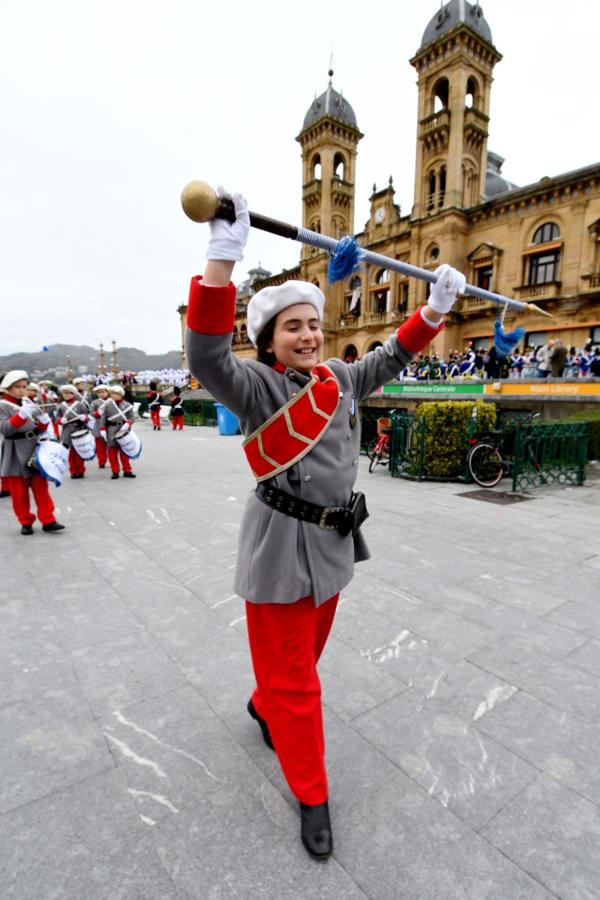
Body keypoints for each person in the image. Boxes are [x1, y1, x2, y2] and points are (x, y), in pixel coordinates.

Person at [184, 189, 466, 861]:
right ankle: (311, 792)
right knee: (301, 684)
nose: (308, 334)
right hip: (281, 549)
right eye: (292, 327)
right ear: (269, 339)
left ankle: (263, 704)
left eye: (313, 323)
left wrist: (434, 310)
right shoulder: (254, 388)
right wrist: (222, 260)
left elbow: (390, 358)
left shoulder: (338, 376)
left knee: (300, 662)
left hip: (335, 544)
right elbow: (204, 359)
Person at [0, 370, 65, 535]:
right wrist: (22, 415)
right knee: (19, 492)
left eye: (24, 386)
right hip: (14, 450)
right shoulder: (2, 406)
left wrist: (43, 424)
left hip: (34, 447)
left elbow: (37, 426)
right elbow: (6, 429)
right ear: (7, 388)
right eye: (17, 387)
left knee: (41, 487)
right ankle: (25, 521)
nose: (22, 390)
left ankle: (48, 520)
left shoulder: (28, 402)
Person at [101, 384, 136, 479]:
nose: (113, 395)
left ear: (120, 394)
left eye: (115, 394)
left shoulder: (127, 405)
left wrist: (128, 423)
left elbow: (132, 417)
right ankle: (115, 471)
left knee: (124, 451)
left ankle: (127, 470)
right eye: (111, 394)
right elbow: (103, 418)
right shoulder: (107, 405)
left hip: (123, 430)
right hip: (111, 430)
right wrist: (103, 429)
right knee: (112, 452)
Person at [57, 384, 89, 479]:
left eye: (68, 393)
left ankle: (81, 470)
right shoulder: (61, 406)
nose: (66, 395)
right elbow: (57, 418)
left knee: (79, 451)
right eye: (64, 393)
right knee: (70, 452)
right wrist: (60, 421)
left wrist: (84, 418)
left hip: (79, 429)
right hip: (67, 430)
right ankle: (73, 471)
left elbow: (87, 416)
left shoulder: (80, 405)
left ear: (73, 394)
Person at [90, 384, 110, 468]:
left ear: (107, 392)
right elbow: (91, 412)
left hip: (110, 426)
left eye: (103, 392)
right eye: (99, 392)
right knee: (100, 446)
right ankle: (101, 461)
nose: (101, 394)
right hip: (98, 425)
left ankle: (111, 460)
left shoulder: (111, 401)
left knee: (111, 445)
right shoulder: (95, 402)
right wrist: (97, 413)